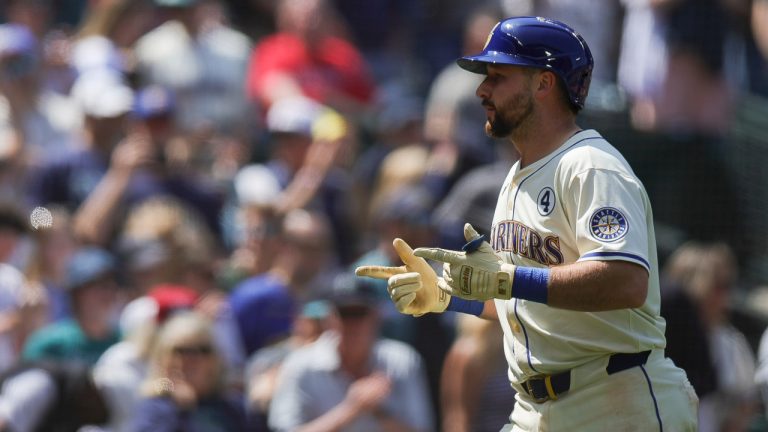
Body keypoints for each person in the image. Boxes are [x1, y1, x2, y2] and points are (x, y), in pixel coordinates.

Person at [356, 16, 699, 431]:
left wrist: (506, 280)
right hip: (535, 409)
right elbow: (520, 298)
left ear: (544, 83)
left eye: (498, 76)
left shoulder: (590, 166)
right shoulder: (515, 178)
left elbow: (625, 280)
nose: (482, 89)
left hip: (613, 399)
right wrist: (451, 298)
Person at [268, 273, 434, 432]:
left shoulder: (402, 361)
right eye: (345, 314)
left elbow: (423, 429)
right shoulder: (300, 364)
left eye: (359, 313)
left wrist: (378, 411)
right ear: (330, 319)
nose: (352, 324)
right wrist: (352, 408)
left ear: (375, 316)